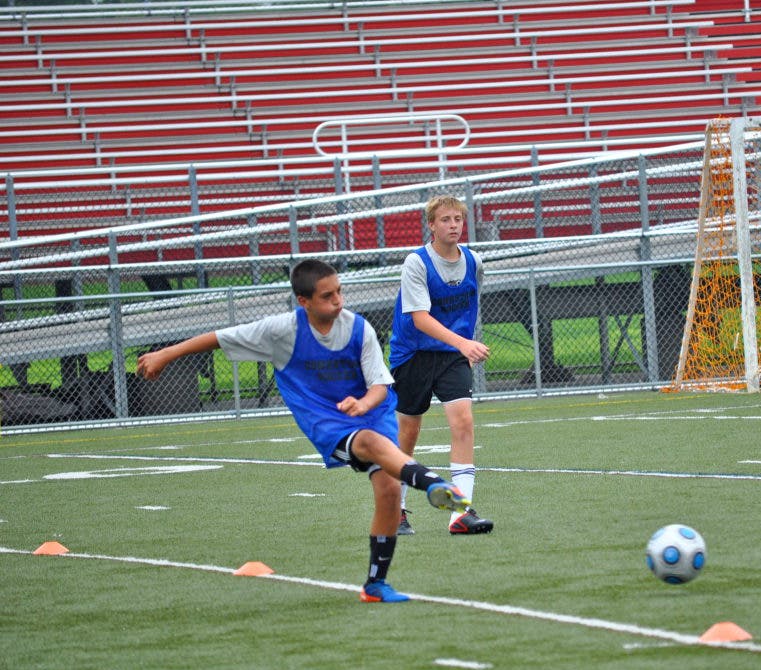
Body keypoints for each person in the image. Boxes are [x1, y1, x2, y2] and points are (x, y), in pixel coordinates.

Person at [136, 259, 470, 603]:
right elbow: (219, 338)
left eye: (339, 292)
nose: (338, 301)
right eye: (327, 296)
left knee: (387, 490)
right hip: (327, 421)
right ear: (304, 301)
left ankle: (375, 585)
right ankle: (431, 482)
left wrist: (364, 405)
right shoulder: (282, 331)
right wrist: (165, 354)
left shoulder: (359, 328)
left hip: (371, 409)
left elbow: (380, 387)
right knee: (369, 443)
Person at [390, 194, 494, 535]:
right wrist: (463, 342)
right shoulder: (416, 263)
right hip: (414, 355)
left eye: (458, 219)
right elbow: (420, 319)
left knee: (463, 421)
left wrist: (461, 345)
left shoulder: (474, 261)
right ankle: (397, 508)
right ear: (431, 225)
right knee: (408, 434)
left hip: (451, 356)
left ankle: (461, 513)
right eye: (446, 219)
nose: (453, 225)